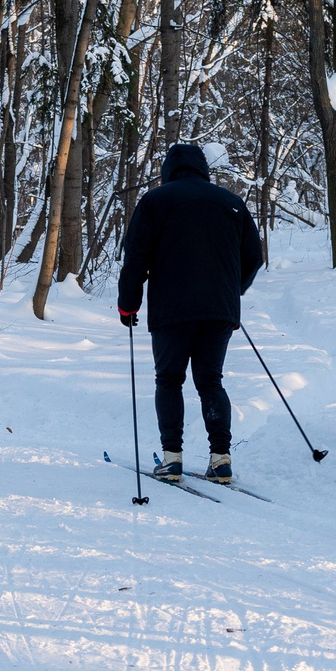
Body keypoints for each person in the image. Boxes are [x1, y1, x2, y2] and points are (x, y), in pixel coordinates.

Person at [117, 143, 265, 485]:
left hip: (172, 310)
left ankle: (172, 459)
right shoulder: (231, 203)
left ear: (169, 170)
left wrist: (128, 304)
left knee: (169, 379)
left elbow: (136, 258)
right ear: (203, 170)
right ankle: (221, 459)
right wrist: (232, 289)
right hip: (219, 311)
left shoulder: (155, 201)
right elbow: (253, 257)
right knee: (210, 380)